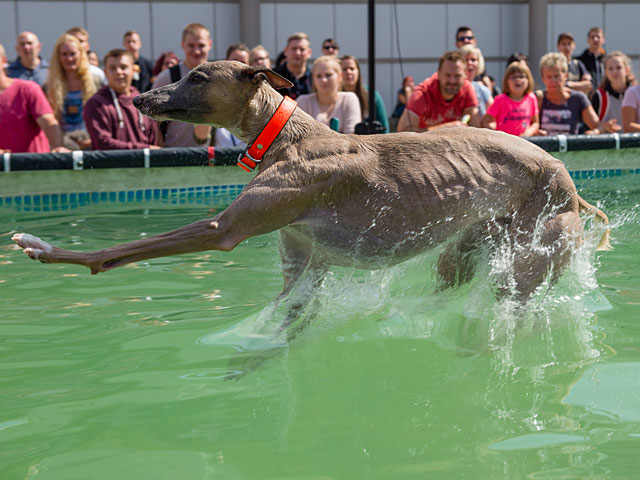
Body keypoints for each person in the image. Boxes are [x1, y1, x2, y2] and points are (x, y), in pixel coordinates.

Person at [151, 23, 213, 147]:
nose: (196, 51)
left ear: (210, 44)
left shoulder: (217, 76)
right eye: (191, 45)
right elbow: (151, 113)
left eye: (201, 45)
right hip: (174, 153)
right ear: (182, 45)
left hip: (210, 157)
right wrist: (160, 145)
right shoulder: (168, 76)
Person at [83, 49, 158, 150]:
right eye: (113, 68)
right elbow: (102, 144)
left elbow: (154, 138)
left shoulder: (143, 101)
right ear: (105, 72)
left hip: (146, 164)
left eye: (123, 67)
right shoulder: (96, 104)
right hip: (112, 165)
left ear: (133, 70)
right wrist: (145, 149)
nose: (118, 72)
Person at [0, 43, 68, 154]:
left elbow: (48, 122)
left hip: (33, 166)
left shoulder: (28, 89)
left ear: (3, 60)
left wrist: (58, 147)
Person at [397, 51, 480, 132]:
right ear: (439, 73)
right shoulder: (422, 94)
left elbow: (476, 129)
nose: (452, 81)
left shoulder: (468, 89)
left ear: (465, 75)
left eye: (457, 75)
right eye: (447, 75)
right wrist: (445, 129)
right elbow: (403, 131)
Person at [46, 33, 101, 150]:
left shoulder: (95, 81)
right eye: (64, 54)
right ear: (58, 57)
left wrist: (94, 138)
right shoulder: (49, 86)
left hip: (91, 141)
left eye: (72, 54)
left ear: (81, 54)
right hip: (62, 145)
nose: (69, 58)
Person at [536, 52, 601, 136]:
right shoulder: (538, 98)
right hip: (542, 148)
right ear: (542, 78)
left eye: (556, 76)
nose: (553, 81)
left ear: (566, 76)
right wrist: (536, 133)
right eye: (549, 77)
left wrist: (595, 132)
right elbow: (529, 126)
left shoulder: (578, 98)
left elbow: (597, 125)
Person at [296, 55, 361, 134]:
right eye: (318, 76)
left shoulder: (349, 99)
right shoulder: (303, 101)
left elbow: (352, 136)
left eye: (328, 75)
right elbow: (299, 137)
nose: (323, 80)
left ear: (339, 77)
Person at [481, 61, 539, 137]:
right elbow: (484, 122)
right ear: (507, 81)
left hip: (525, 142)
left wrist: (528, 133)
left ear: (528, 80)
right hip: (505, 144)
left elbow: (535, 123)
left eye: (521, 77)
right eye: (513, 77)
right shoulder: (500, 100)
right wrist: (497, 135)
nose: (518, 80)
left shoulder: (532, 98)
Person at [340, 55, 389, 133]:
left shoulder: (372, 95)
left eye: (352, 69)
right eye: (344, 69)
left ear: (358, 71)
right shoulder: (334, 97)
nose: (348, 72)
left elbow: (384, 126)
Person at [215, 45, 250, 149]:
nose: (238, 66)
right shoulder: (213, 93)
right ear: (225, 62)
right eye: (234, 60)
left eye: (243, 62)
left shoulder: (258, 98)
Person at [591, 51, 634, 133]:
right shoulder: (599, 96)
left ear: (627, 70)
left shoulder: (636, 93)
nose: (614, 71)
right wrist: (603, 125)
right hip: (608, 143)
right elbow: (590, 126)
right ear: (606, 72)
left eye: (619, 67)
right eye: (610, 68)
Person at [273, 32, 313, 99]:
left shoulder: (314, 78)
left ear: (309, 53)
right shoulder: (273, 76)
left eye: (302, 49)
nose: (297, 53)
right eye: (294, 49)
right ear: (286, 51)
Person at [459, 44, 493, 116]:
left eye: (473, 60)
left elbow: (494, 116)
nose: (469, 63)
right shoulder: (452, 88)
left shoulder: (483, 90)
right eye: (466, 60)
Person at [576, 27, 606, 92]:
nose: (595, 39)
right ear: (588, 40)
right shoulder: (579, 61)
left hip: (604, 97)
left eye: (598, 37)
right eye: (592, 37)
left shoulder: (608, 60)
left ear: (603, 40)